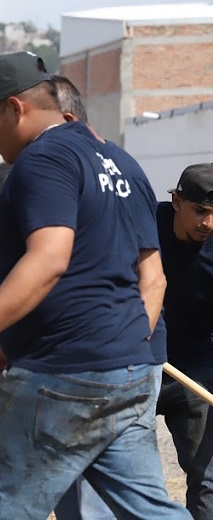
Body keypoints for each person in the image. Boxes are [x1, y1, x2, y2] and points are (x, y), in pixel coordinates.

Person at [0, 52, 188, 518]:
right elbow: (147, 274)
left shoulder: (41, 159)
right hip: (132, 368)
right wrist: (25, 340)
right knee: (148, 511)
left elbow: (49, 260)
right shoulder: (123, 163)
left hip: (64, 373)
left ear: (14, 109)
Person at [156, 163, 213, 518]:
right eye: (201, 211)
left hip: (197, 370)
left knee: (206, 477)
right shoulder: (143, 220)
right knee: (117, 472)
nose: (208, 224)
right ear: (176, 202)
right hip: (137, 361)